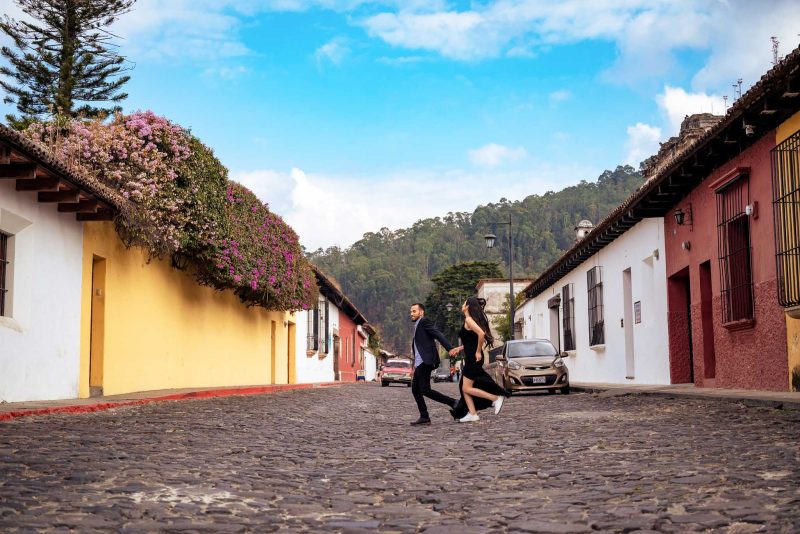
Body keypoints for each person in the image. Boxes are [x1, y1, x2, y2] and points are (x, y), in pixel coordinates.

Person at [450, 296, 509, 422]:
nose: (462, 305)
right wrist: (460, 348)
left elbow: (481, 334)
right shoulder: (469, 319)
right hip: (471, 356)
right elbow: (471, 340)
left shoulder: (469, 320)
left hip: (473, 358)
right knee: (464, 387)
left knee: (466, 388)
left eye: (464, 303)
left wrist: (477, 352)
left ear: (467, 306)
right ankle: (473, 414)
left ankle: (495, 398)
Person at [408, 302, 458, 425]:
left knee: (425, 390)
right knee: (415, 389)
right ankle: (424, 416)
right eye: (411, 312)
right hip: (420, 362)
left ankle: (453, 402)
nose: (411, 314)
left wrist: (449, 348)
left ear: (421, 312)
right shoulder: (418, 325)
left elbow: (437, 334)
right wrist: (414, 365)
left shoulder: (424, 321)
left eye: (414, 311)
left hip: (426, 361)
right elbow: (418, 347)